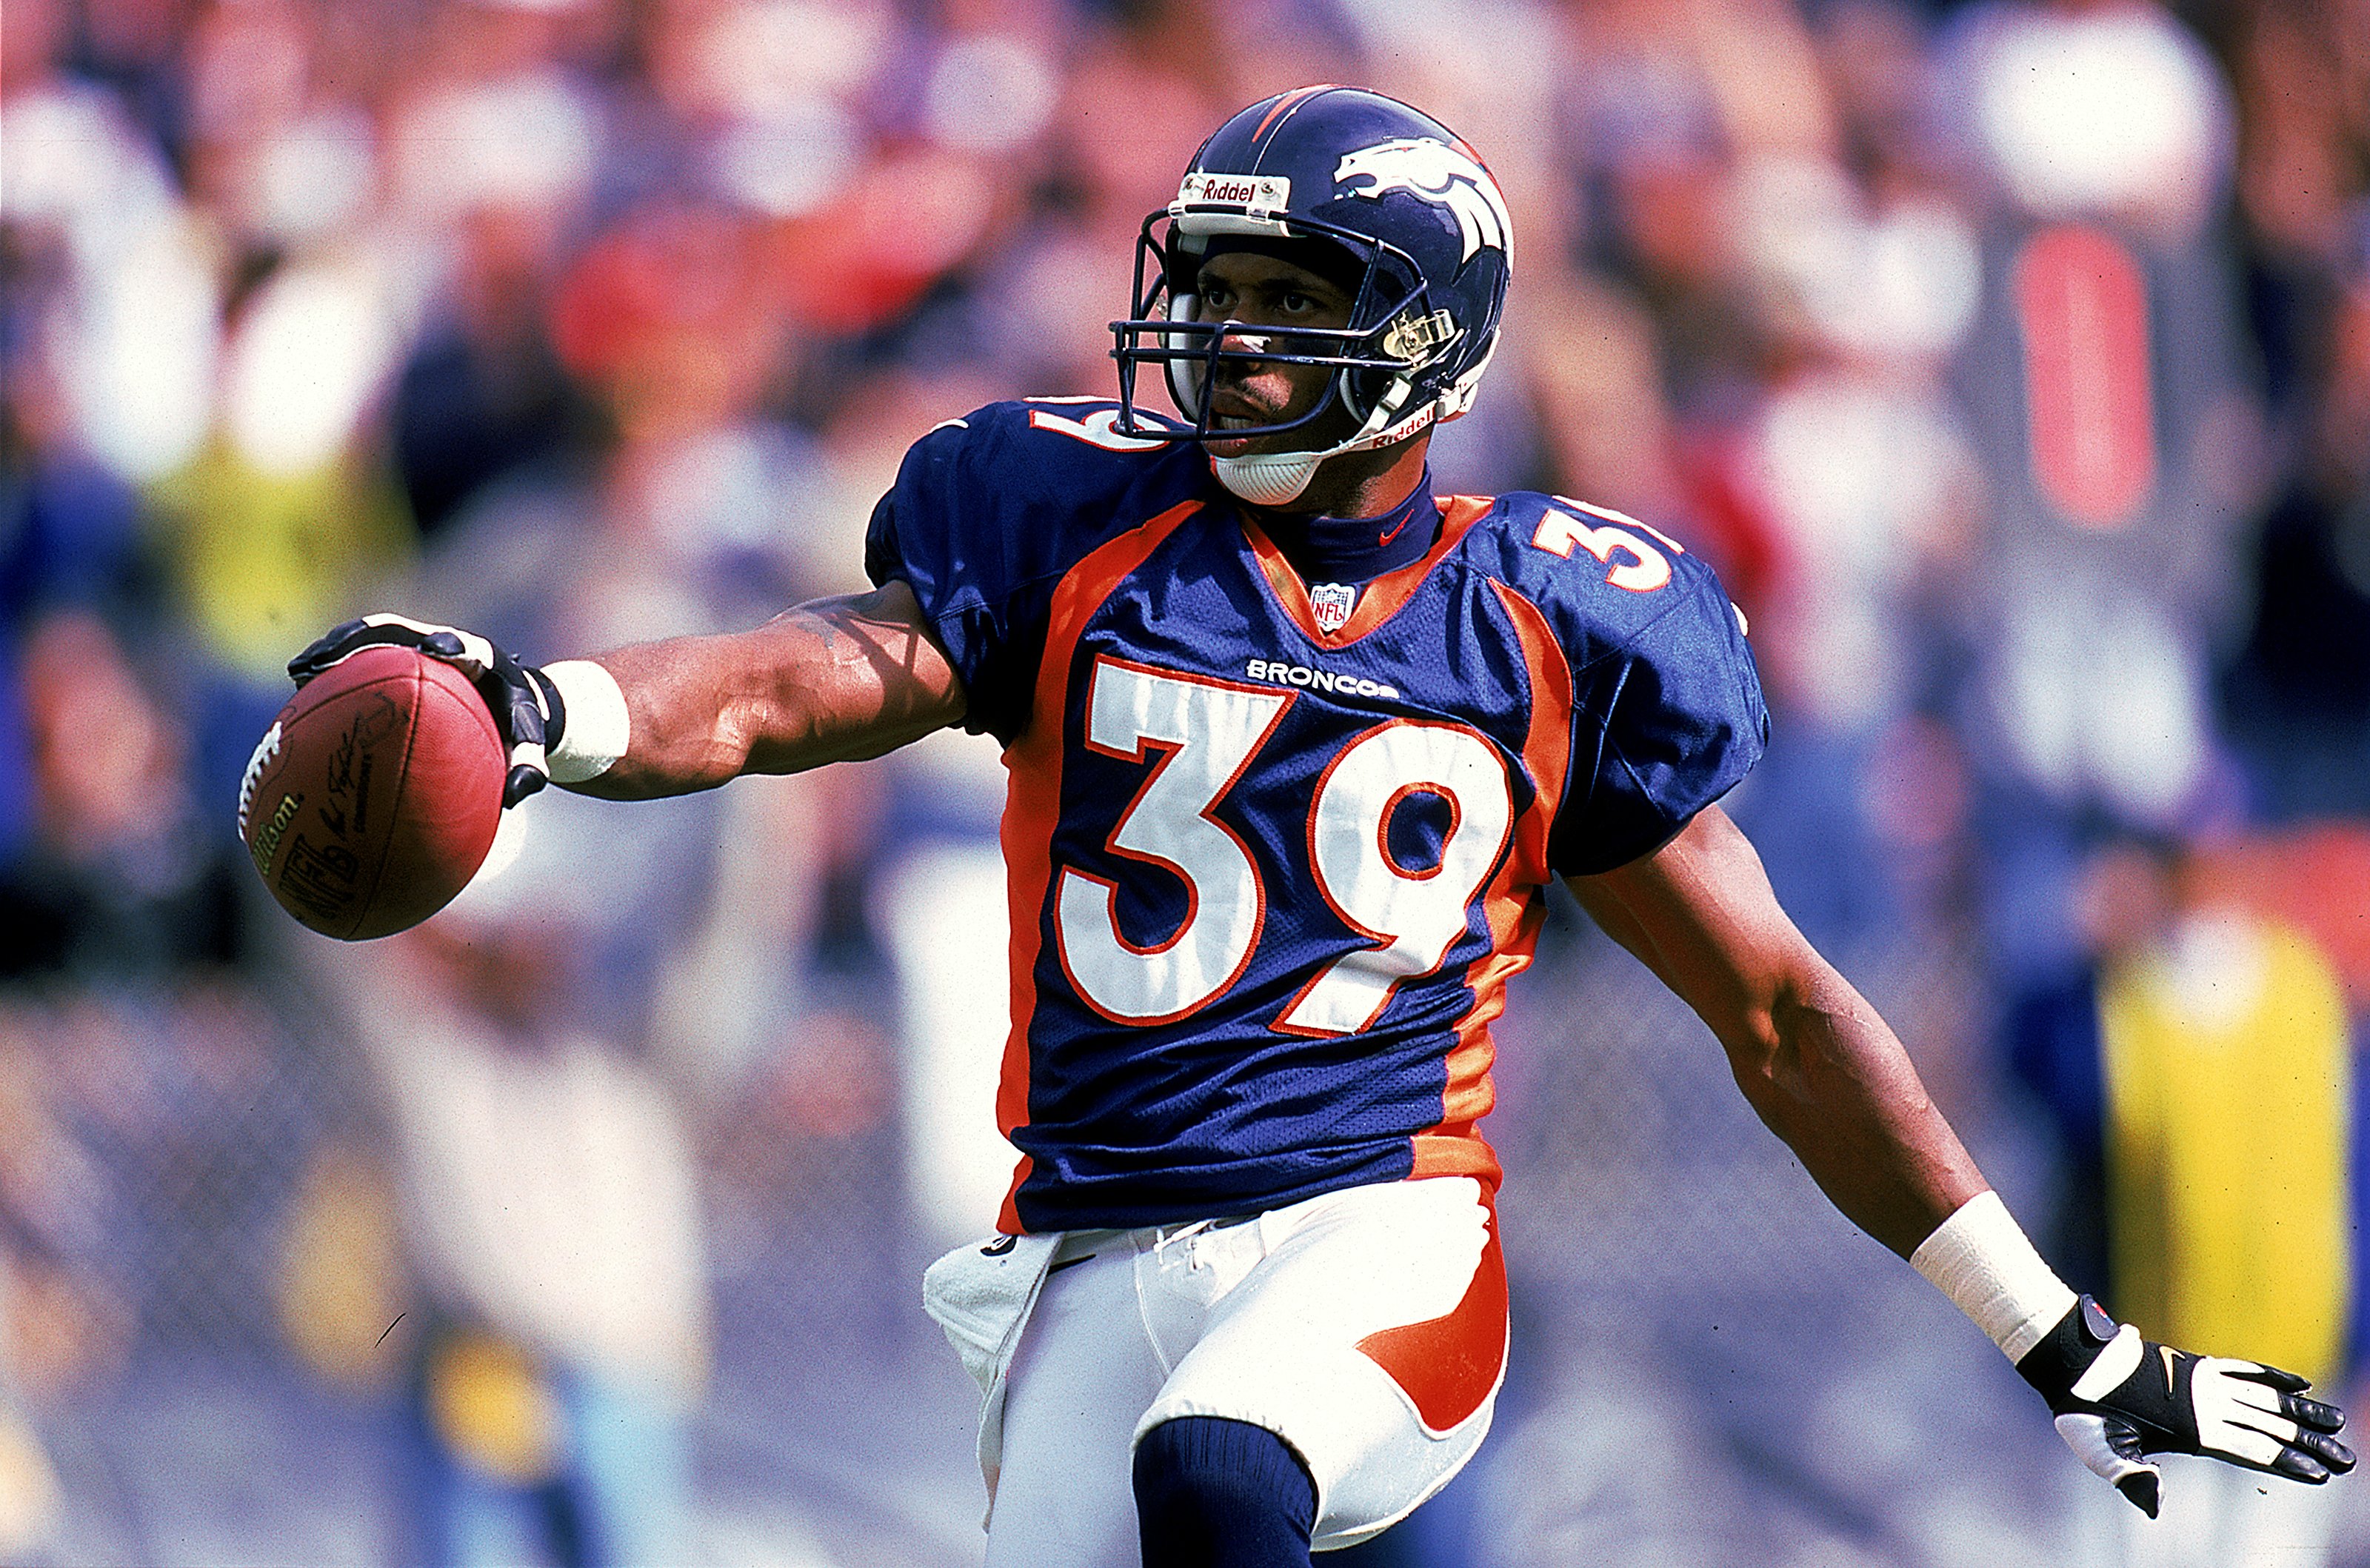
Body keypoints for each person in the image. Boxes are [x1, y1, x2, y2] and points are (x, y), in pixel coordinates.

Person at [279, 87, 2352, 1566]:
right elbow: (799, 681)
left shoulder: (1543, 618)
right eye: (1214, 283)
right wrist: (542, 712)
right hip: (1091, 1250)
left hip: (1382, 1241)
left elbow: (1786, 1016)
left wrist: (2067, 1347)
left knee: (1223, 1469)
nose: (1221, 336)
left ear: (1422, 337)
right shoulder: (1079, 528)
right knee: (1173, 1465)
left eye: (1283, 297)